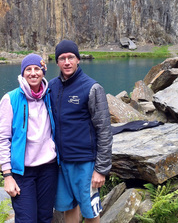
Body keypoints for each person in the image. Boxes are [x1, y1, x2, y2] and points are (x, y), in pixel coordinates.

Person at [49, 40, 113, 223]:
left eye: (71, 57)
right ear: (57, 62)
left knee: (90, 211)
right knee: (68, 207)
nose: (67, 62)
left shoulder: (92, 88)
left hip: (85, 163)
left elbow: (104, 131)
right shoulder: (52, 87)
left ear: (78, 60)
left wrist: (101, 169)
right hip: (61, 162)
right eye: (62, 58)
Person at [0, 53, 58, 223]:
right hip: (22, 172)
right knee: (26, 219)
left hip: (49, 169)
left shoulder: (50, 96)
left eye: (37, 68)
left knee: (45, 218)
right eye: (28, 69)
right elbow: (2, 139)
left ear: (43, 71)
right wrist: (7, 175)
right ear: (22, 73)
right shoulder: (10, 99)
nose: (33, 73)